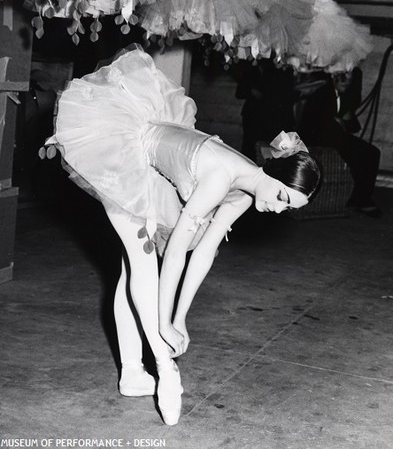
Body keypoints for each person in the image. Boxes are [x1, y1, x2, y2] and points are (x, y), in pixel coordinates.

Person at [44, 45, 321, 426]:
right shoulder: (223, 176)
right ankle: (162, 366)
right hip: (126, 153)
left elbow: (204, 252)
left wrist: (180, 317)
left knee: (131, 275)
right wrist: (163, 325)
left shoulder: (247, 190)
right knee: (145, 264)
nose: (278, 208)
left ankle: (131, 373)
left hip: (158, 173)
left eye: (288, 208)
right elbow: (176, 253)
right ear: (275, 176)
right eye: (282, 197)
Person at [293, 70, 382, 218]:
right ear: (334, 78)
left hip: (335, 137)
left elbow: (350, 123)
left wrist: (343, 119)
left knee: (372, 152)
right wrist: (338, 123)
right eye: (343, 81)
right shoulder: (323, 93)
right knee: (363, 153)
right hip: (319, 139)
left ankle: (359, 198)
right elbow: (315, 125)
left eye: (349, 81)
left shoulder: (342, 95)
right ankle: (361, 199)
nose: (346, 84)